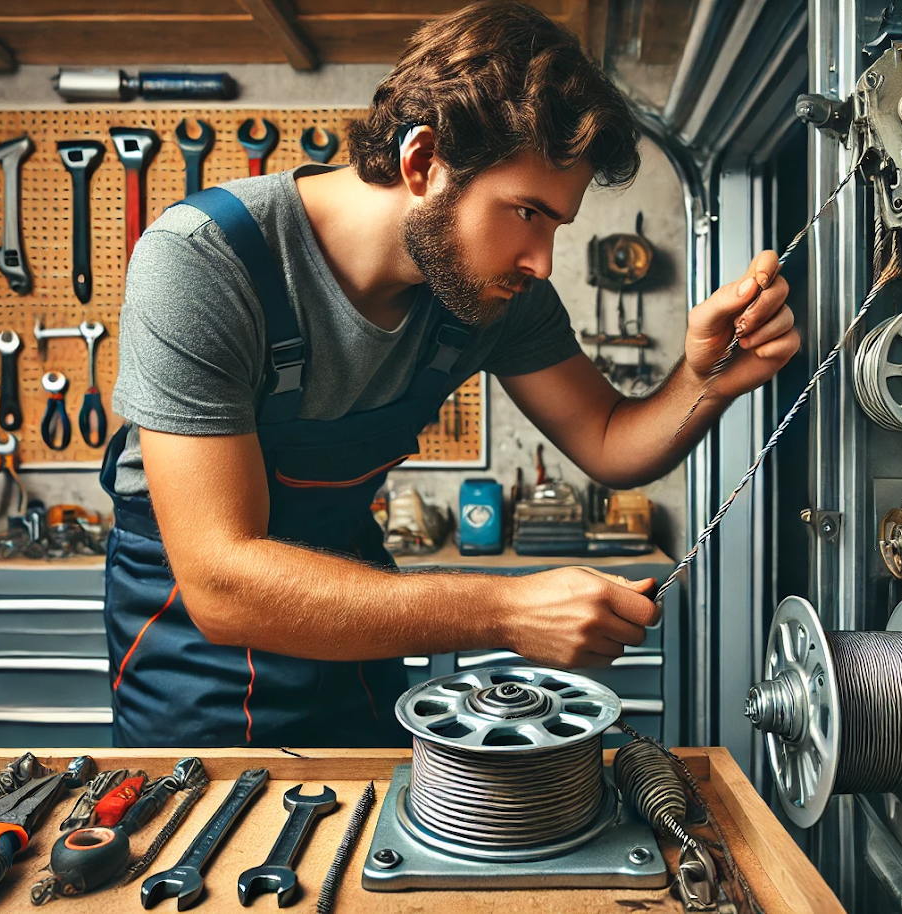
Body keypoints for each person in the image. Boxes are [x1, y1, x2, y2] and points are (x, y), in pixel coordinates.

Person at [102, 0, 799, 748]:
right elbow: (221, 584)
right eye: (526, 212)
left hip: (356, 638)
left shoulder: (493, 295)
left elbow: (609, 442)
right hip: (193, 661)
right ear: (422, 162)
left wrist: (709, 380)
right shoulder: (205, 261)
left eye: (555, 225)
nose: (542, 261)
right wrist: (505, 613)